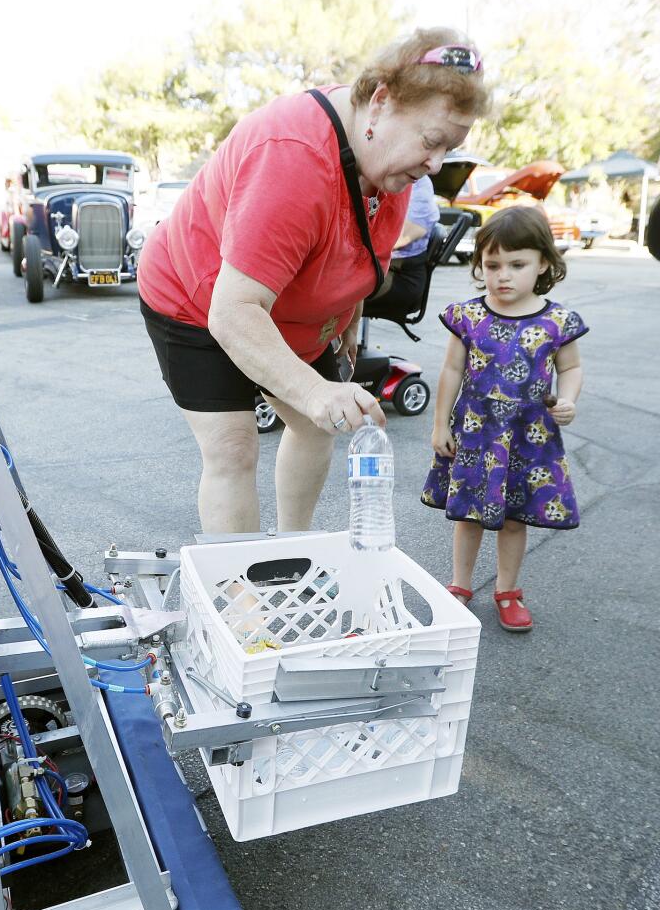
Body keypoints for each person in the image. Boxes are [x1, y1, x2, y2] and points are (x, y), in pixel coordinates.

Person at [138, 28, 488, 534]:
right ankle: (240, 600)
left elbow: (358, 247)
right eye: (432, 142)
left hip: (291, 309)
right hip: (199, 298)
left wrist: (347, 314)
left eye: (449, 149)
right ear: (381, 102)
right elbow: (233, 311)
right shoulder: (293, 155)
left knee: (317, 424)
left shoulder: (390, 164)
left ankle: (292, 549)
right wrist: (316, 391)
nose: (434, 165)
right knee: (234, 447)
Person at [421, 206, 588, 632]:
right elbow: (451, 371)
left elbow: (570, 367)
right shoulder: (469, 317)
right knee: (469, 516)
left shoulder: (556, 321)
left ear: (543, 263)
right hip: (477, 434)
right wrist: (440, 424)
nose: (503, 275)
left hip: (529, 438)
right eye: (492, 265)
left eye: (517, 264)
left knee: (514, 519)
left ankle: (508, 589)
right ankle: (460, 584)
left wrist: (568, 399)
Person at [371, 174, 441, 317]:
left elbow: (406, 235)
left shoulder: (418, 183)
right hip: (382, 268)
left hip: (401, 276)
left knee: (338, 288)